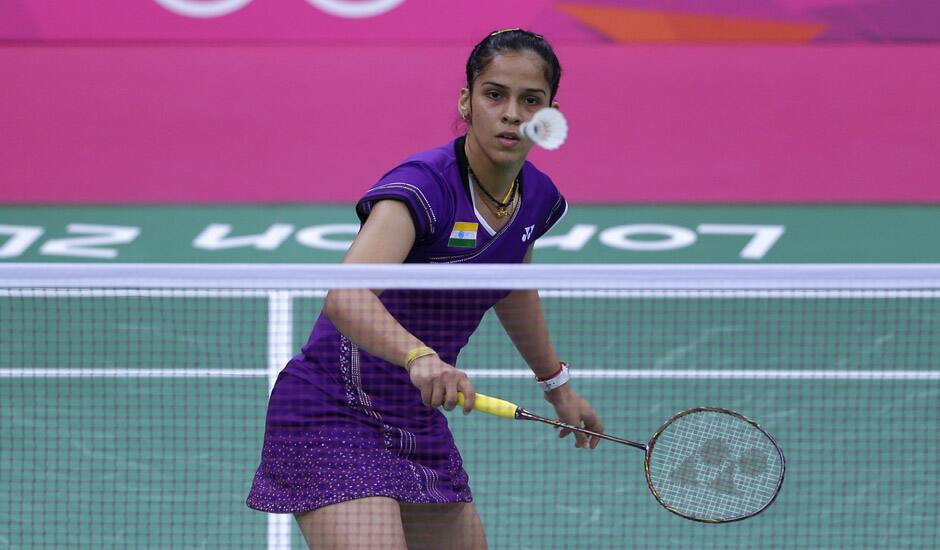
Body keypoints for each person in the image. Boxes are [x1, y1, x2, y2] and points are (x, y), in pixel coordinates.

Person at [247, 28, 604, 550]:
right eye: (494, 94)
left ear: (549, 115)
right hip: (332, 410)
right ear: (467, 100)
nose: (511, 113)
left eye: (530, 101)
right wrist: (418, 357)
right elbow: (346, 296)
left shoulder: (537, 198)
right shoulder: (424, 186)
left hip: (413, 414)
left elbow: (512, 286)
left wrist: (557, 385)